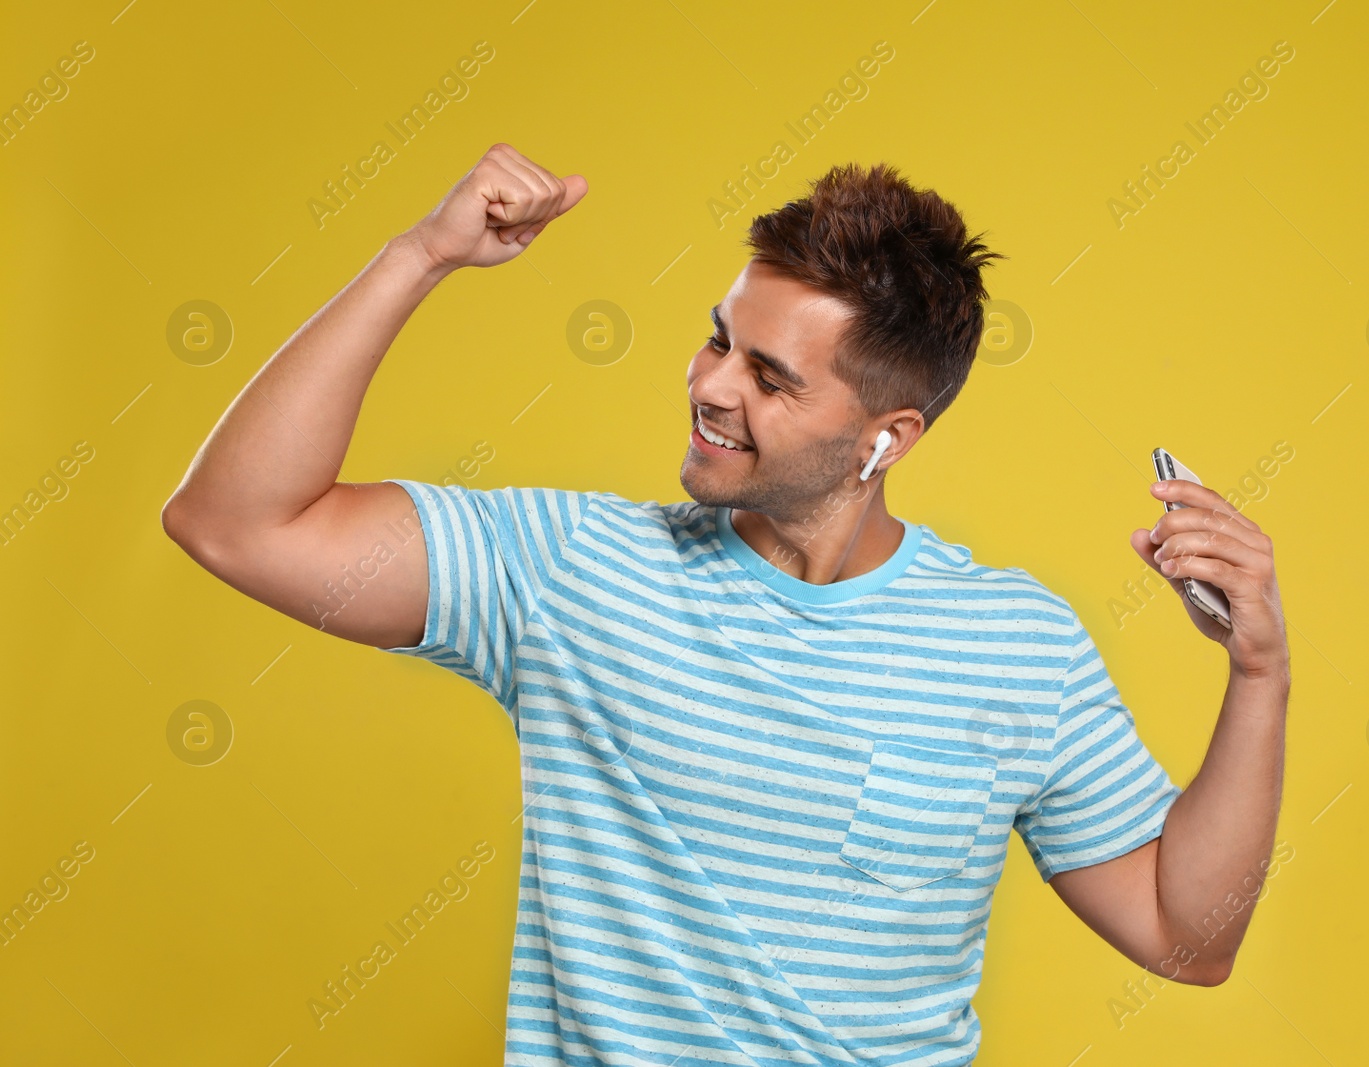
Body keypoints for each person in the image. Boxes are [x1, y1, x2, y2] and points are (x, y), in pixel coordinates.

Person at [162, 144, 1290, 1066]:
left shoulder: (1015, 646)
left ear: (888, 435)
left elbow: (1186, 935)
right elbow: (239, 522)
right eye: (719, 339)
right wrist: (420, 255)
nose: (709, 384)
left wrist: (1256, 675)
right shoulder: (568, 571)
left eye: (770, 376)